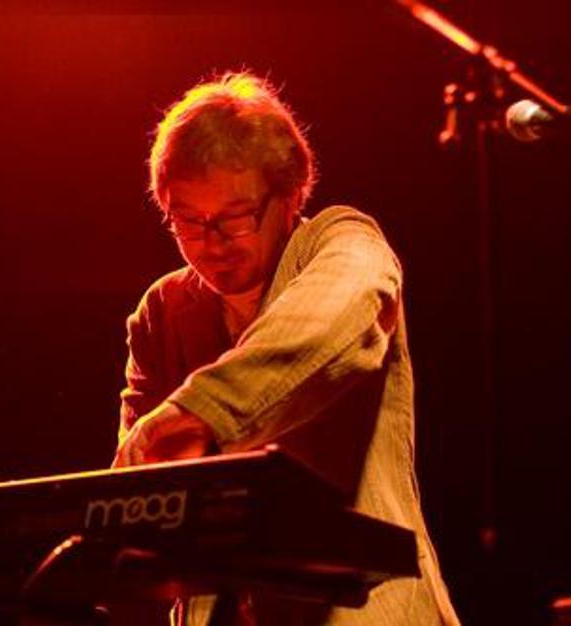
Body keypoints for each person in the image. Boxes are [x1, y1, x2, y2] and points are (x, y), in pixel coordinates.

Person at [112, 71, 461, 625]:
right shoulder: (163, 311)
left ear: (291, 194)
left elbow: (321, 326)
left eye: (235, 218)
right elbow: (137, 503)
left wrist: (199, 412)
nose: (212, 243)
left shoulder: (343, 241)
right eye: (188, 221)